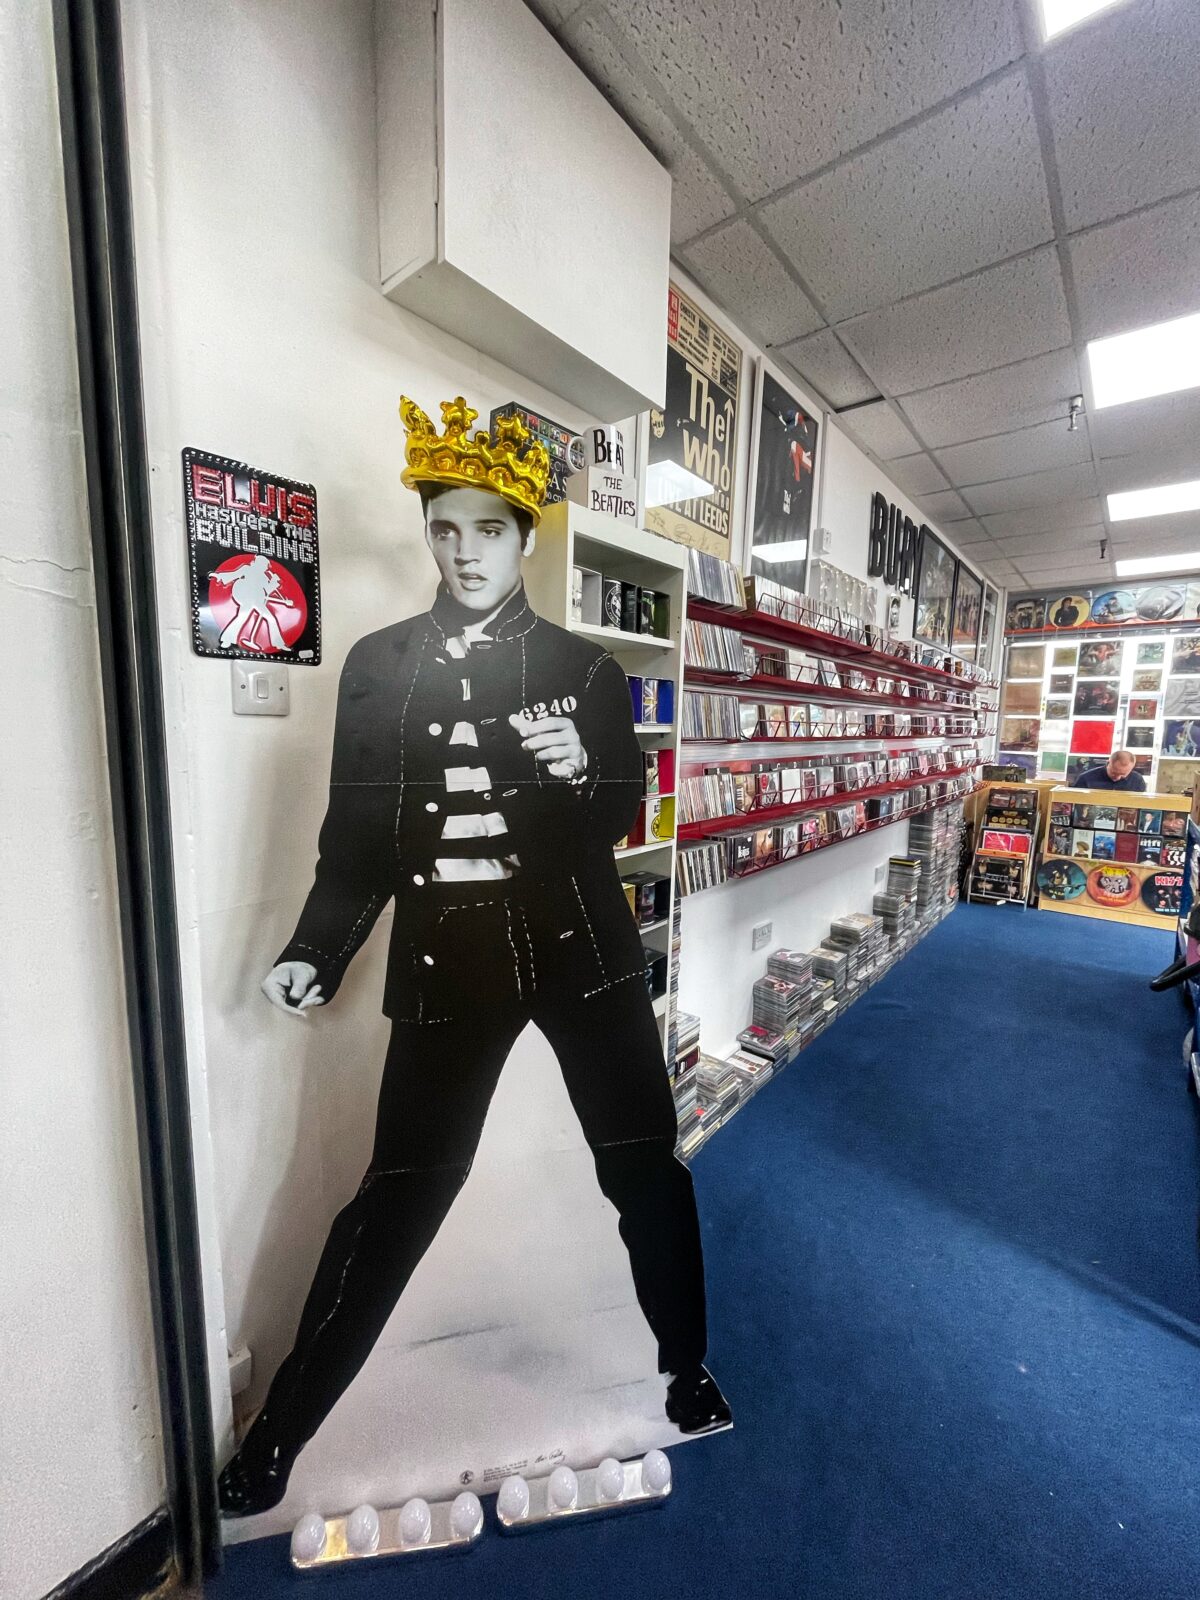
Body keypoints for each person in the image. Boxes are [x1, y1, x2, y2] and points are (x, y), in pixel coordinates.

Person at [217, 397, 729, 1517]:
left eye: (487, 529)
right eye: (444, 529)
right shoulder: (377, 665)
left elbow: (620, 811)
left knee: (644, 1165)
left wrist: (577, 771)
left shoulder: (588, 669)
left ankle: (688, 1367)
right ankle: (280, 1433)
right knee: (399, 1194)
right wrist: (317, 947)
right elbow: (357, 834)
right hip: (448, 953)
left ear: (524, 539)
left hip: (584, 949)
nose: (464, 552)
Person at [1073, 749, 1147, 792]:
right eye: (1114, 773)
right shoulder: (1086, 778)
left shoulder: (1137, 780)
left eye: (1123, 774)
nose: (1117, 778)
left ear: (1131, 768)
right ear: (1108, 763)